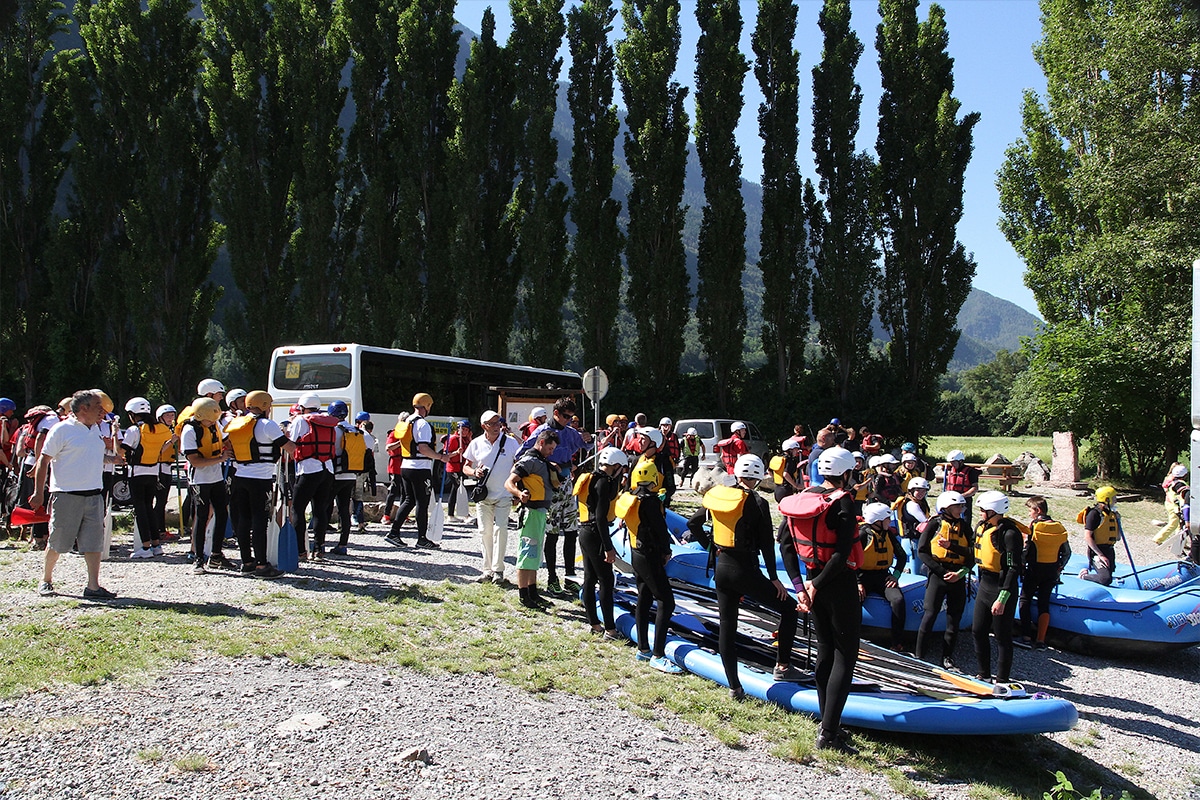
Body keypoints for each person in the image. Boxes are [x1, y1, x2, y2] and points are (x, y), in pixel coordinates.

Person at [690, 455, 807, 700]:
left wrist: (711, 547)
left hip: (722, 568)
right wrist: (774, 579)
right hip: (745, 570)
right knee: (788, 609)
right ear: (758, 476)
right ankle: (783, 667)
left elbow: (693, 523)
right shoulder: (757, 502)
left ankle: (734, 686)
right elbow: (766, 544)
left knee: (728, 626)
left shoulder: (719, 494)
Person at [786, 447, 861, 754]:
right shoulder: (842, 501)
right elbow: (843, 553)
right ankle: (829, 733)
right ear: (846, 474)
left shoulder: (805, 498)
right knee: (844, 657)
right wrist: (815, 585)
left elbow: (786, 546)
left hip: (813, 582)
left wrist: (801, 587)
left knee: (825, 651)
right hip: (837, 584)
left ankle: (827, 722)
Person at [29, 390, 116, 598]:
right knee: (58, 541)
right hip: (66, 495)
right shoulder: (61, 430)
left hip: (94, 495)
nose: (102, 411)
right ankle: (46, 580)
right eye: (97, 406)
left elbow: (90, 453)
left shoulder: (94, 429)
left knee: (94, 543)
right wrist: (38, 493)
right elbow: (44, 460)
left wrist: (112, 460)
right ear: (83, 408)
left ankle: (93, 586)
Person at [515, 397, 591, 595]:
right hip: (550, 485)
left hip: (567, 485)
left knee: (572, 531)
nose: (568, 420)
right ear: (556, 413)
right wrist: (547, 468)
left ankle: (570, 578)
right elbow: (522, 455)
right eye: (565, 416)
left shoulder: (571, 432)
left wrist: (590, 439)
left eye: (571, 417)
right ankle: (551, 578)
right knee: (552, 534)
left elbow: (587, 446)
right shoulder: (541, 432)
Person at [620, 460, 684, 675]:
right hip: (649, 555)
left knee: (644, 598)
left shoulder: (630, 497)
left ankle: (643, 649)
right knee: (667, 601)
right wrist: (666, 551)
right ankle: (657, 654)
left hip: (636, 554)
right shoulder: (650, 501)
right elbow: (660, 529)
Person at [224, 390, 292, 577]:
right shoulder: (267, 424)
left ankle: (247, 562)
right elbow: (290, 448)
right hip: (260, 480)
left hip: (240, 477)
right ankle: (262, 565)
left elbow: (227, 445)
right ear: (263, 406)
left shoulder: (236, 423)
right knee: (260, 521)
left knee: (243, 521)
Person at [916, 490, 973, 670]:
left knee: (954, 618)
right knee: (930, 614)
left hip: (957, 576)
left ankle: (947, 657)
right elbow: (922, 551)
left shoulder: (965, 527)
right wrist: (940, 571)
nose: (961, 509)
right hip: (938, 574)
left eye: (962, 506)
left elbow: (973, 556)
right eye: (957, 506)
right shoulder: (934, 524)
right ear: (946, 508)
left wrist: (960, 574)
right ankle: (919, 656)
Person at [971, 491, 1023, 682]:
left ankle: (1002, 680)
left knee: (1002, 637)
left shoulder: (1009, 534)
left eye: (984, 510)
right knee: (978, 630)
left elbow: (1013, 568)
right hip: (985, 585)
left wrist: (1002, 598)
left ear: (995, 511)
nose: (981, 514)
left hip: (1002, 589)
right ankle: (983, 675)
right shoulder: (984, 528)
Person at [505, 429, 560, 608]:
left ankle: (533, 592)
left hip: (540, 512)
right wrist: (520, 493)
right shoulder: (529, 461)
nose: (552, 452)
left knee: (535, 554)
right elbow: (509, 482)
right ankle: (524, 596)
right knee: (527, 552)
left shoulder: (541, 461)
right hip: (530, 511)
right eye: (550, 448)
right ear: (541, 443)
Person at [463, 410, 520, 583]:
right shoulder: (476, 443)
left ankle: (498, 570)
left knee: (501, 530)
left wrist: (516, 489)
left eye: (498, 423)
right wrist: (474, 472)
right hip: (483, 494)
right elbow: (465, 466)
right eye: (492, 424)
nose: (496, 426)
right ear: (483, 426)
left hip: (504, 494)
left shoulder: (510, 443)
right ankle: (487, 570)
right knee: (484, 532)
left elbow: (519, 465)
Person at [576, 447, 627, 637]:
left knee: (590, 578)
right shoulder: (604, 483)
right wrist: (608, 547)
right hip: (596, 532)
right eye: (620, 468)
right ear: (615, 466)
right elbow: (600, 518)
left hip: (585, 531)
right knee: (606, 580)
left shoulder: (593, 477)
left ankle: (594, 624)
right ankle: (611, 629)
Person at [388, 392, 449, 549]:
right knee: (422, 502)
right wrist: (440, 457)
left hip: (405, 466)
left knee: (408, 500)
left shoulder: (406, 421)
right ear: (427, 406)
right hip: (420, 468)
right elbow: (423, 447)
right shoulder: (422, 424)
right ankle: (422, 538)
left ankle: (393, 533)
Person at [181, 397, 234, 573]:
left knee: (221, 514)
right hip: (200, 480)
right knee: (202, 517)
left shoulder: (214, 426)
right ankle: (198, 558)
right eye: (209, 419)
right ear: (199, 415)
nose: (212, 422)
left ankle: (216, 555)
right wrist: (220, 458)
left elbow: (226, 441)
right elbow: (195, 461)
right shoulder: (190, 431)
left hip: (216, 477)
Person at [288, 392, 340, 560]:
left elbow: (291, 443)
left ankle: (301, 551)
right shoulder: (329, 422)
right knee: (320, 510)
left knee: (297, 509)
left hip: (308, 469)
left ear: (302, 407)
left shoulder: (300, 420)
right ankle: (319, 549)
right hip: (328, 470)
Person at [120, 397, 171, 557]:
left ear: (132, 414)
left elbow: (121, 451)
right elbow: (163, 447)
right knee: (149, 507)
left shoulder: (134, 430)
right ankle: (156, 545)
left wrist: (115, 435)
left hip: (137, 473)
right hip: (154, 472)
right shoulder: (158, 428)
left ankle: (146, 547)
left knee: (140, 509)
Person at [1017, 495, 1070, 649]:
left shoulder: (1034, 527)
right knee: (1044, 603)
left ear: (1038, 511)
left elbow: (1026, 551)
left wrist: (1020, 564)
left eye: (1030, 510)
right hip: (1052, 571)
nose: (1029, 514)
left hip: (1034, 570)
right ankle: (1041, 641)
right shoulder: (1059, 527)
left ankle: (1026, 636)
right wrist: (1059, 567)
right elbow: (1067, 552)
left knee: (1025, 599)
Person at [857, 501, 908, 651]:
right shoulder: (862, 534)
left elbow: (902, 557)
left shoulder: (889, 535)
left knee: (898, 600)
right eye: (887, 519)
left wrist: (896, 576)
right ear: (877, 521)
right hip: (862, 576)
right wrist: (857, 582)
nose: (889, 522)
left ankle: (896, 642)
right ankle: (855, 639)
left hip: (882, 576)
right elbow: (850, 560)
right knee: (855, 601)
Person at [327, 400, 362, 556]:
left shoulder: (334, 430)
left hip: (334, 473)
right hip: (351, 474)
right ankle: (343, 544)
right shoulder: (354, 429)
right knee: (344, 510)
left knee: (324, 507)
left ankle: (319, 544)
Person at [1078, 485, 1121, 586]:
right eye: (1114, 498)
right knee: (1105, 579)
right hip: (1096, 552)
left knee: (1108, 577)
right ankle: (1083, 576)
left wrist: (1118, 521)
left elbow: (1118, 537)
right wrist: (1100, 555)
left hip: (1109, 550)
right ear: (1107, 499)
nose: (1115, 501)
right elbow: (1087, 537)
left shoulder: (1112, 514)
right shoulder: (1094, 514)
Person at [895, 477, 931, 576]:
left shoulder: (919, 502)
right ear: (911, 490)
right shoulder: (912, 505)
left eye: (923, 491)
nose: (921, 493)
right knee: (917, 572)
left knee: (919, 569)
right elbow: (925, 521)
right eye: (918, 490)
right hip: (912, 542)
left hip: (915, 540)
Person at [943, 450, 980, 528]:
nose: (952, 464)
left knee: (965, 522)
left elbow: (975, 488)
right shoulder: (951, 470)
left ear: (961, 461)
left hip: (965, 500)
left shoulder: (971, 471)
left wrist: (962, 496)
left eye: (954, 462)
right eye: (951, 462)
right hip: (951, 500)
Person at [1153, 464, 1189, 545]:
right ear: (1184, 475)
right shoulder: (1179, 484)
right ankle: (1158, 539)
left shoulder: (1173, 481)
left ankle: (1180, 541)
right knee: (1173, 524)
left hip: (1171, 504)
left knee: (1179, 525)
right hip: (1174, 506)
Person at [443, 420, 471, 521]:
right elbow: (446, 455)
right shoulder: (453, 439)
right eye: (462, 429)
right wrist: (456, 452)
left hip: (461, 468)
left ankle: (451, 514)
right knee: (458, 488)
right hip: (453, 468)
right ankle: (464, 514)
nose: (464, 432)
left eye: (466, 430)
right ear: (458, 429)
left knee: (455, 490)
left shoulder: (466, 440)